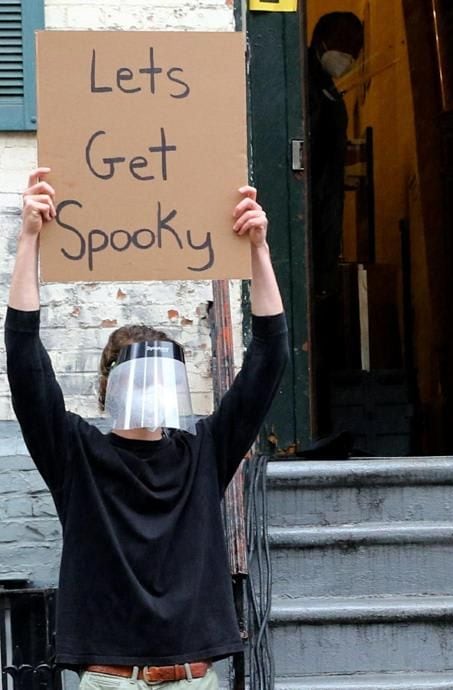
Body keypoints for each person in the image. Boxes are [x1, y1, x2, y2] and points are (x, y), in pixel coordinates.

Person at [7, 168, 289, 688]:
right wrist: (28, 239)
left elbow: (270, 359)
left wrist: (258, 249)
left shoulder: (203, 453)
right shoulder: (76, 454)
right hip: (111, 679)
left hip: (192, 677)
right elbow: (25, 360)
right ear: (110, 387)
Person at [306, 11, 364, 435]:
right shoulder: (308, 89)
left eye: (355, 50)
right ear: (322, 42)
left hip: (321, 232)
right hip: (310, 232)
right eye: (344, 45)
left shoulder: (325, 90)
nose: (349, 56)